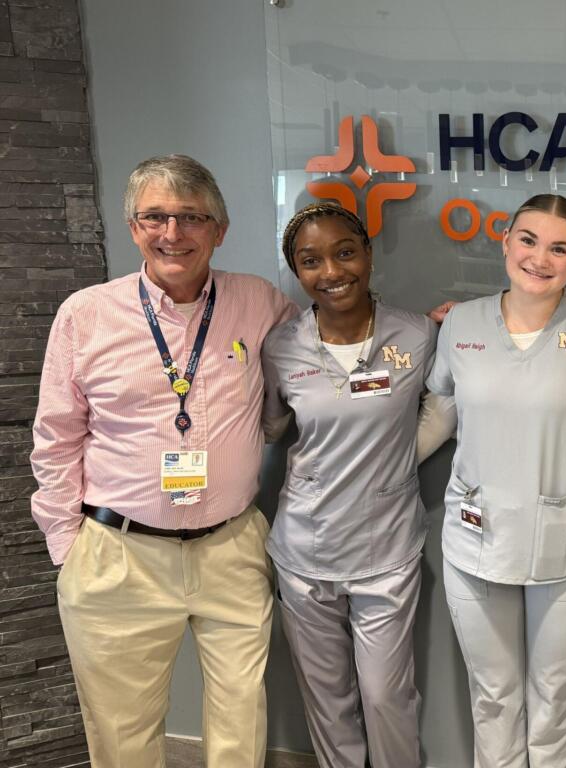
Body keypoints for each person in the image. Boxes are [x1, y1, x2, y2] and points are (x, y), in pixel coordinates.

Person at [29, 154, 298, 767]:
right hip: (119, 555)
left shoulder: (257, 303)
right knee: (123, 736)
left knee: (241, 722)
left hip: (230, 547)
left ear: (219, 230)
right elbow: (55, 437)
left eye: (190, 218)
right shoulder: (86, 315)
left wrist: (407, 326)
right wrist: (68, 549)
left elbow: (323, 349)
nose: (172, 234)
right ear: (133, 227)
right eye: (154, 217)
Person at [425, 194, 566, 768]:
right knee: (492, 697)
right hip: (474, 543)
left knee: (555, 700)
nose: (539, 258)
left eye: (558, 248)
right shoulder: (463, 323)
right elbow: (439, 416)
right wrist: (373, 469)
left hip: (565, 546)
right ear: (505, 242)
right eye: (528, 240)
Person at [261, 203, 455, 768]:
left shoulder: (417, 334)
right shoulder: (280, 346)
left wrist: (390, 467)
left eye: (345, 252)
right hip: (304, 551)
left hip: (387, 551)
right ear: (297, 272)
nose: (332, 271)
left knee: (385, 695)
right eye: (311, 261)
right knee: (328, 700)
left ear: (368, 253)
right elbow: (273, 428)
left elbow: (443, 411)